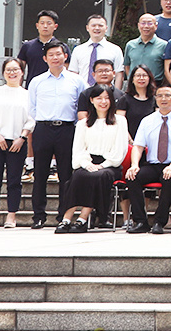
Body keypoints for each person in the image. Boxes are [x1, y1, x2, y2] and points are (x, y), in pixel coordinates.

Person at [57, 86, 128, 233]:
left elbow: (120, 149)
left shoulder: (120, 121)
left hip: (110, 165)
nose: (103, 102)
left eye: (107, 98)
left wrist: (103, 165)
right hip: (88, 161)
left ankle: (82, 219)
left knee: (97, 176)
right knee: (78, 175)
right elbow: (78, 149)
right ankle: (66, 219)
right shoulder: (83, 123)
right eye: (99, 98)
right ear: (91, 100)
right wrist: (86, 164)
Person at [26, 41, 81, 229]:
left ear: (65, 56)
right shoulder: (37, 81)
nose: (55, 58)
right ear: (45, 58)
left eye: (59, 54)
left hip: (67, 129)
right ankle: (38, 216)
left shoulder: (76, 80)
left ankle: (63, 216)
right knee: (40, 173)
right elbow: (32, 108)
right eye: (51, 55)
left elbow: (81, 105)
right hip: (43, 129)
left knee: (66, 175)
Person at [122, 84, 171, 234]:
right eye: (160, 96)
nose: (163, 99)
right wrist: (134, 165)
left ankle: (160, 221)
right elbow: (138, 146)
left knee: (169, 179)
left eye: (167, 95)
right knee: (133, 177)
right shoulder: (147, 120)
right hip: (153, 164)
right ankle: (141, 221)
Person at [0, 57, 33, 229]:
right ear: (3, 73)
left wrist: (22, 138)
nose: (12, 73)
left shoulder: (27, 95)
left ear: (22, 72)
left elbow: (31, 119)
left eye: (15, 69)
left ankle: (12, 215)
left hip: (18, 142)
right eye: (8, 70)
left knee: (14, 180)